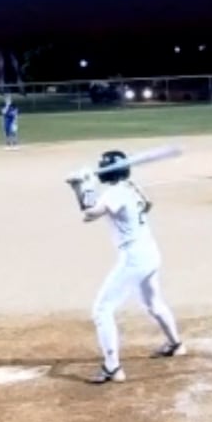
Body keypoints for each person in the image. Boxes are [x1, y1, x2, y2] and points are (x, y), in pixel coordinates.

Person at [69, 150, 183, 384]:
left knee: (102, 310)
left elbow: (90, 213)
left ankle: (112, 368)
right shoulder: (131, 187)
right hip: (150, 252)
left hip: (134, 258)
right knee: (153, 303)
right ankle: (176, 344)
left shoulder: (115, 194)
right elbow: (147, 205)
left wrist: (85, 186)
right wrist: (78, 188)